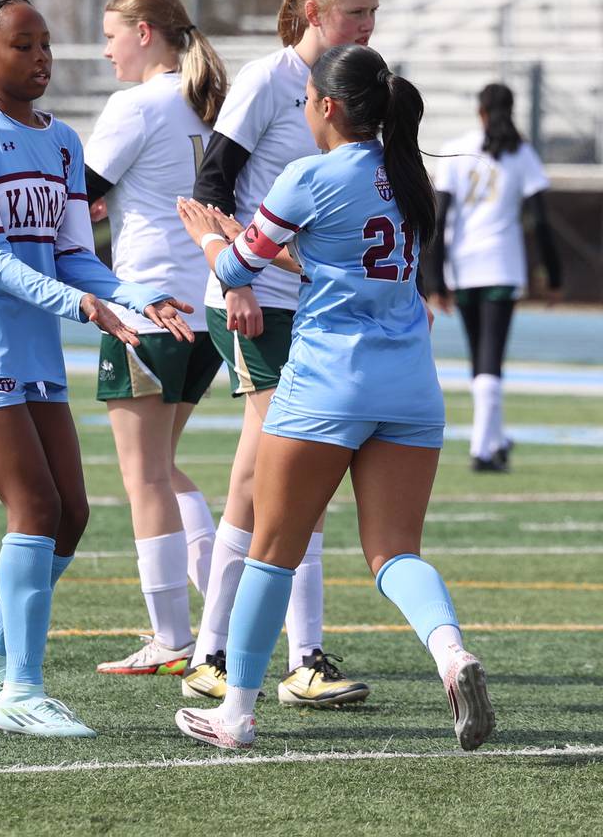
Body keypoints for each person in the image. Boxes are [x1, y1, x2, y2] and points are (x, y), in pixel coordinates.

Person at [174, 43, 496, 753]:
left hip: (328, 382)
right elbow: (350, 259)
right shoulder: (407, 174)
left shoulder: (309, 175)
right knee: (393, 553)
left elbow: (234, 268)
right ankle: (450, 653)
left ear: (326, 106)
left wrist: (208, 237)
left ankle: (237, 713)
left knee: (272, 549)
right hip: (411, 387)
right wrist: (267, 247)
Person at [0, 0, 193, 739]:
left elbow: (73, 255)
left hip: (32, 348)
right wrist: (85, 309)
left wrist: (135, 296)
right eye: (23, 45)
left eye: (46, 45)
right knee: (34, 509)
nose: (41, 58)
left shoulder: (63, 141)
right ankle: (20, 692)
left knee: (72, 514)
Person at [182, 0, 376, 708]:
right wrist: (238, 280)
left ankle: (221, 653)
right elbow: (211, 183)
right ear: (316, 13)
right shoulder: (270, 82)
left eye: (372, 10)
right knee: (288, 475)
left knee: (264, 476)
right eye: (356, 11)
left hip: (316, 309)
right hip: (254, 299)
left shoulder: (356, 87)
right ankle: (294, 656)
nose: (367, 24)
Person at [82, 0, 227, 675]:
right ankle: (217, 616)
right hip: (206, 310)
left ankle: (173, 637)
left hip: (146, 311)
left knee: (143, 479)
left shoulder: (135, 104)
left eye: (111, 34)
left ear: (145, 32)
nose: (105, 49)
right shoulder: (204, 101)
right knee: (165, 470)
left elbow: (75, 192)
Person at [431, 82, 561, 471]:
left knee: (480, 357)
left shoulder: (456, 150)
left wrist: (435, 279)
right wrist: (553, 275)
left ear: (480, 110)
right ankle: (483, 449)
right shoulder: (521, 153)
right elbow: (540, 220)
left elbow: (438, 219)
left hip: (462, 266)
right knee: (490, 358)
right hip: (502, 267)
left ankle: (494, 439)